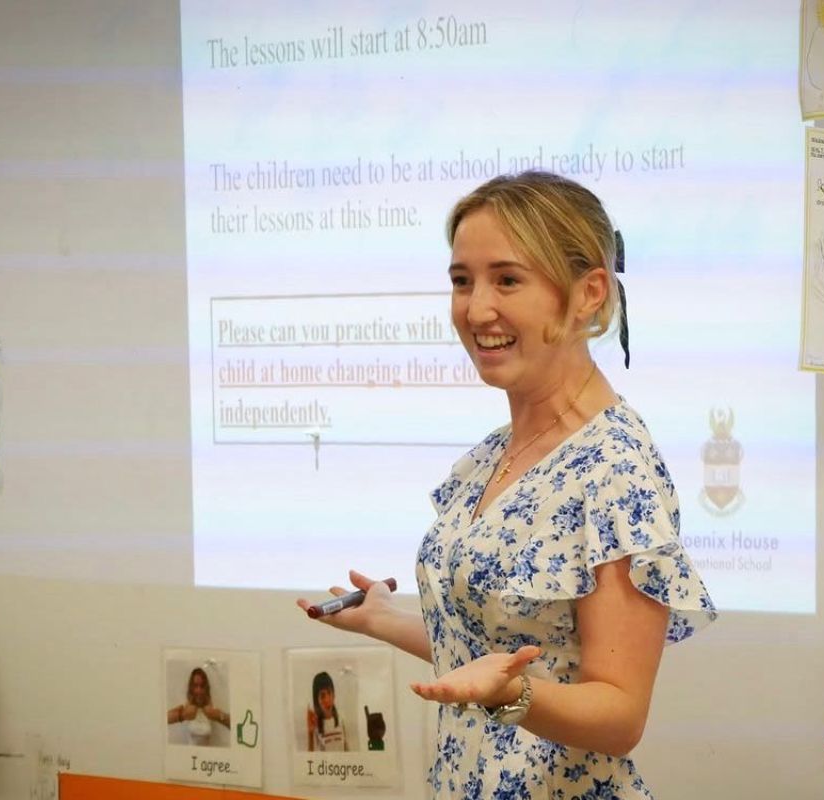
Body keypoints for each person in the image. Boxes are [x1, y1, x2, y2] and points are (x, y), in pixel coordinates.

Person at [297, 170, 715, 798]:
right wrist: (385, 620)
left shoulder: (616, 468)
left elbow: (621, 715)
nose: (476, 309)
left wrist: (512, 695)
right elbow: (494, 645)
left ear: (588, 294)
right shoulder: (495, 456)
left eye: (508, 279)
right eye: (461, 281)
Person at [166, 666, 230, 747]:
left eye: (202, 686)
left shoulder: (211, 709)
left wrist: (218, 715)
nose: (199, 690)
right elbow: (161, 720)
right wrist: (182, 715)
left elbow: (235, 724)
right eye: (195, 686)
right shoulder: (185, 708)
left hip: (207, 758)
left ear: (206, 688)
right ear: (191, 688)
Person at [307, 670, 349, 751]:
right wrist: (310, 733)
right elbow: (310, 759)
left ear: (334, 694)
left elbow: (347, 751)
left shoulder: (341, 721)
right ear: (317, 700)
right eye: (322, 696)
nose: (327, 699)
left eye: (329, 693)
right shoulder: (315, 727)